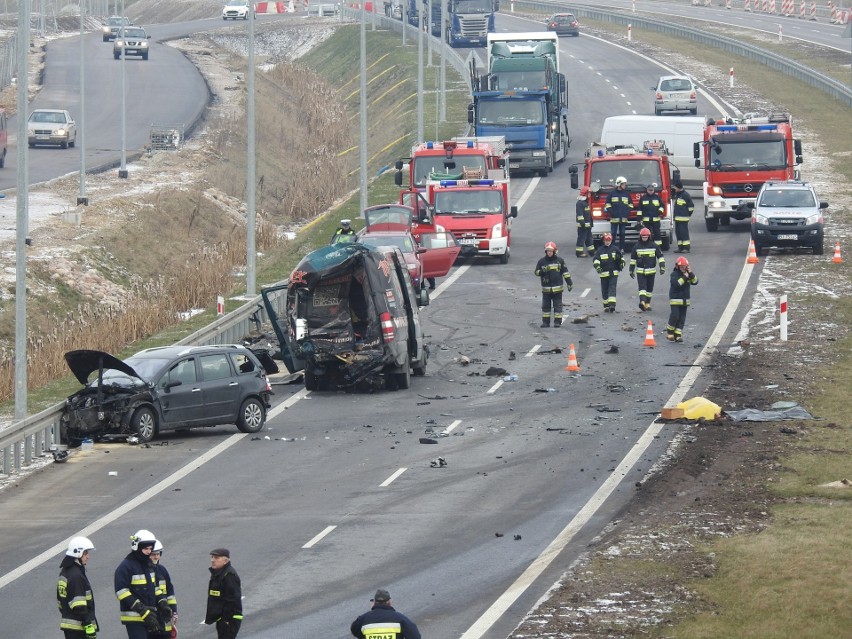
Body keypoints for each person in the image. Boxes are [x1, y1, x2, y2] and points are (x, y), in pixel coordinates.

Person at [115, 529, 162, 638]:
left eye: (150, 548)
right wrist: (143, 610)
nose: (149, 552)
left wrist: (163, 603)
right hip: (134, 618)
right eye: (146, 548)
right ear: (137, 547)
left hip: (150, 616)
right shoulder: (125, 567)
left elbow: (154, 588)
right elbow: (122, 592)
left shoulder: (148, 565)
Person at [58, 536, 99, 639]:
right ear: (78, 553)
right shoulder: (76, 575)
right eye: (85, 553)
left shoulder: (65, 572)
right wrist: (88, 625)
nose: (88, 557)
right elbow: (78, 604)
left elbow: (60, 601)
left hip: (70, 627)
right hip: (79, 628)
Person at [350, 588, 421, 639]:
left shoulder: (363, 619)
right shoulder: (400, 619)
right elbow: (415, 636)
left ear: (374, 602)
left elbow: (354, 630)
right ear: (389, 602)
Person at [206, 548, 243, 639]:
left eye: (216, 558)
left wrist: (226, 619)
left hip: (230, 619)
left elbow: (232, 599)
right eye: (212, 557)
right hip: (223, 618)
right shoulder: (219, 573)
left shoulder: (229, 575)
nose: (212, 560)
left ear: (225, 560)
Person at [534, 241, 573, 328]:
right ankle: (545, 322)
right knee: (546, 307)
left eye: (551, 251)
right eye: (548, 251)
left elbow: (565, 273)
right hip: (546, 289)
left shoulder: (560, 261)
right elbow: (536, 272)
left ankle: (557, 322)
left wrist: (569, 283)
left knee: (557, 306)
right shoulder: (541, 261)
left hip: (557, 289)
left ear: (554, 251)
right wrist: (542, 271)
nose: (549, 252)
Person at [629, 227, 666, 311]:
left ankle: (647, 304)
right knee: (642, 288)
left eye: (646, 237)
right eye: (643, 237)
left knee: (649, 289)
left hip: (651, 272)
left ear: (649, 236)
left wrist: (662, 267)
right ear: (640, 236)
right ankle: (642, 302)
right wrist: (631, 270)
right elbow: (633, 260)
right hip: (640, 272)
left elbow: (660, 257)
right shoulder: (636, 246)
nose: (644, 238)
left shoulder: (654, 246)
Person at [150, 540, 178, 639]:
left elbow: (170, 592)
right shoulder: (142, 571)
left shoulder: (162, 570)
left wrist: (174, 611)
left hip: (164, 615)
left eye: (158, 554)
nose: (156, 557)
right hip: (151, 616)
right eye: (153, 554)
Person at [667, 256, 699, 342]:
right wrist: (685, 277)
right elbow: (677, 284)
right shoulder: (674, 274)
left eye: (684, 266)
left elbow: (695, 282)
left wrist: (691, 274)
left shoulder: (689, 274)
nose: (683, 268)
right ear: (678, 267)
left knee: (682, 318)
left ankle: (678, 335)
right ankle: (670, 332)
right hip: (675, 300)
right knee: (675, 316)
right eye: (681, 267)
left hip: (685, 301)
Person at [592, 232, 625, 313]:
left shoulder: (615, 249)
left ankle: (612, 305)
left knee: (612, 288)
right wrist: (598, 268)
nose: (607, 242)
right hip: (603, 274)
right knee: (605, 290)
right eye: (606, 240)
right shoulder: (600, 250)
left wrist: (621, 264)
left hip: (614, 273)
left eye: (609, 240)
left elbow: (622, 260)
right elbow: (596, 260)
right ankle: (606, 305)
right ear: (603, 241)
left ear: (611, 240)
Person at [604, 176, 631, 251]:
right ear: (619, 184)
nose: (625, 186)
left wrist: (627, 212)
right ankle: (612, 248)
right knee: (613, 234)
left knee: (622, 234)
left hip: (623, 218)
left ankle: (621, 248)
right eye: (624, 184)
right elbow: (607, 204)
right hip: (614, 219)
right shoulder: (612, 194)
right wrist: (612, 213)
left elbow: (630, 204)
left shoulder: (626, 194)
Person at [638, 183, 665, 248]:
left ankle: (658, 247)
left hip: (656, 220)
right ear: (647, 190)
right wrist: (639, 218)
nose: (650, 191)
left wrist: (659, 212)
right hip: (646, 220)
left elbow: (662, 206)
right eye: (649, 190)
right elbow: (640, 209)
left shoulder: (657, 197)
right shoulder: (643, 198)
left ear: (653, 190)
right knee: (647, 234)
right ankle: (648, 246)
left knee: (657, 234)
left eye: (652, 190)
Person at [672, 182, 695, 253]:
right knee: (678, 233)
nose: (674, 189)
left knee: (683, 233)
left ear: (678, 188)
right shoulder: (678, 195)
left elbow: (691, 207)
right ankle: (680, 247)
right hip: (677, 219)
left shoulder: (685, 195)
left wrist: (687, 214)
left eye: (675, 187)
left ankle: (686, 248)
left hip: (683, 218)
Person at [575, 186, 594, 257]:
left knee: (589, 239)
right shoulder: (580, 204)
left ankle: (592, 252)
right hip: (583, 226)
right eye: (588, 193)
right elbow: (580, 215)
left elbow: (588, 215)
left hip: (587, 226)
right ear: (585, 194)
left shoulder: (585, 203)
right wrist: (583, 224)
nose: (590, 195)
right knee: (581, 239)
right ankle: (579, 253)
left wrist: (590, 224)